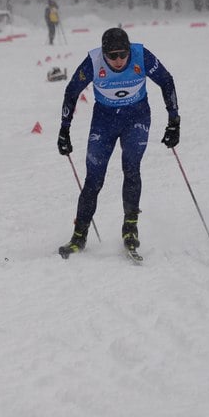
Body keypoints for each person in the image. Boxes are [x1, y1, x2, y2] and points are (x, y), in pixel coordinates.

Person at [56, 26, 179, 257]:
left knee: (131, 169)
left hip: (137, 118)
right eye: (112, 56)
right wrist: (64, 130)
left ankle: (130, 228)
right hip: (104, 121)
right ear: (104, 53)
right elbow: (72, 91)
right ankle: (79, 236)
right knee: (93, 179)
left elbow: (166, 81)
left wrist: (174, 120)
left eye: (123, 54)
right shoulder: (93, 61)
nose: (119, 60)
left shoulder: (141, 56)